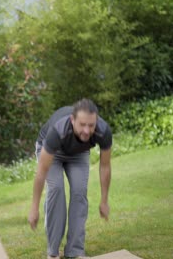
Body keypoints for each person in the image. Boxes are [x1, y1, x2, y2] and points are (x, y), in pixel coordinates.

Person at [28, 98, 112, 259]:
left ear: (96, 121)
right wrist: (34, 207)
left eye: (91, 125)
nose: (87, 130)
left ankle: (75, 251)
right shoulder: (57, 130)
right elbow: (41, 171)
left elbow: (105, 166)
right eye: (82, 125)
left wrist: (104, 200)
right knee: (56, 188)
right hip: (53, 151)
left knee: (80, 192)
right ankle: (53, 252)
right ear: (72, 120)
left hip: (79, 153)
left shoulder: (103, 131)